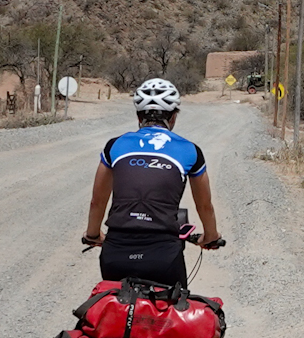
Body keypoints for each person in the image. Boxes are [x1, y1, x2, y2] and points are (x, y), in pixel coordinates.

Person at [83, 78, 223, 288]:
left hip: (116, 252)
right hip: (164, 256)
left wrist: (93, 234)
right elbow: (204, 205)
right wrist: (210, 236)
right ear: (173, 117)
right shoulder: (190, 150)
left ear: (138, 117)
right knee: (173, 313)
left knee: (113, 309)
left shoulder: (115, 146)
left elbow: (98, 201)